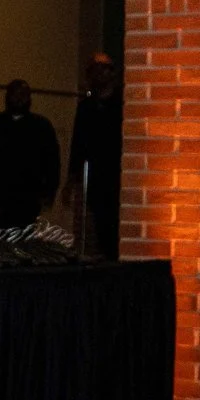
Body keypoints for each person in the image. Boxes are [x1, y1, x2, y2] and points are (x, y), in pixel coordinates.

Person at [0, 77, 63, 228]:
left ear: (29, 98)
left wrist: (50, 191)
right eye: (15, 94)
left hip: (30, 196)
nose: (19, 99)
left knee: (26, 236)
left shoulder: (41, 127)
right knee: (0, 235)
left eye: (23, 95)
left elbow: (52, 162)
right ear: (7, 96)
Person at [66, 53, 121, 257]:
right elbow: (78, 143)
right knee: (101, 227)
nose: (99, 74)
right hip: (97, 178)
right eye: (95, 70)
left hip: (119, 175)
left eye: (103, 69)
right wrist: (71, 179)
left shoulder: (121, 105)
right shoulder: (87, 107)